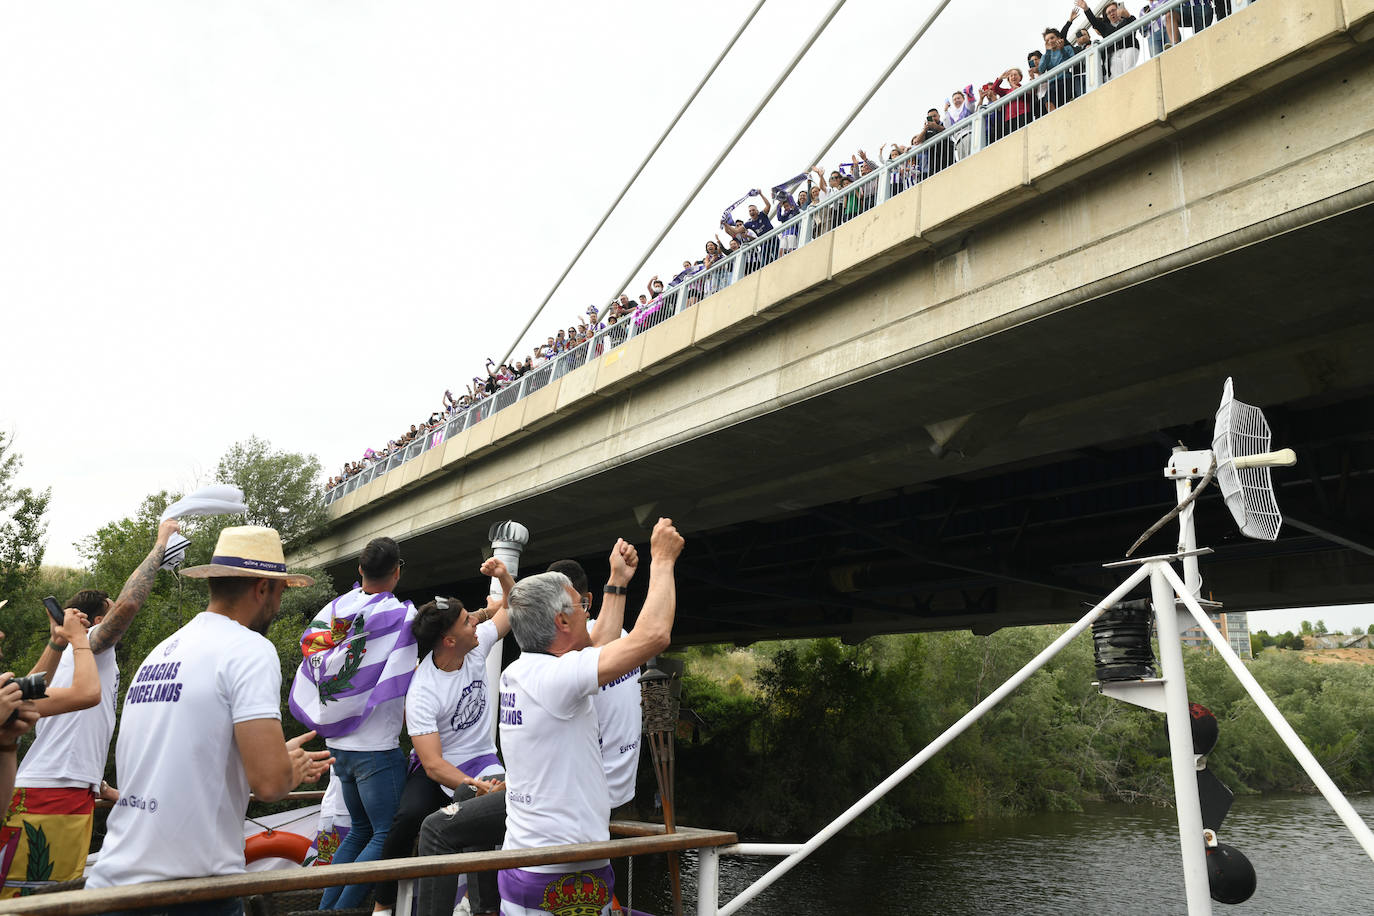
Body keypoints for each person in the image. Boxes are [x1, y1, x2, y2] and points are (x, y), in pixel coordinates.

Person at [85, 526, 332, 912]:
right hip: (189, 892)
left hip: (111, 887)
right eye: (281, 592)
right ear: (262, 588)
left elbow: (185, 753)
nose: (279, 604)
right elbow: (269, 784)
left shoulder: (164, 650)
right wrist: (288, 769)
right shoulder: (249, 649)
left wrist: (261, 753)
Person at [495, 519, 683, 914]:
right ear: (561, 622)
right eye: (581, 606)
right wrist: (662, 561)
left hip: (530, 865)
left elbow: (599, 642)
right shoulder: (554, 679)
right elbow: (652, 638)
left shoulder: (523, 671)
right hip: (560, 878)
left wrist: (617, 582)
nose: (587, 612)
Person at [3, 520, 180, 897]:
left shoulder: (70, 653)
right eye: (111, 613)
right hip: (53, 794)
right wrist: (160, 543)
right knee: (42, 902)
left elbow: (27, 694)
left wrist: (95, 782)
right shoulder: (92, 647)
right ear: (99, 621)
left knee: (47, 897)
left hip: (63, 787)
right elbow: (130, 604)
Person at [372, 559, 514, 916]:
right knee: (408, 818)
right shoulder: (423, 690)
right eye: (468, 621)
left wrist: (504, 577)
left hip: (483, 758)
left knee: (505, 811)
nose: (476, 623)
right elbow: (434, 764)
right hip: (437, 765)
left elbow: (511, 610)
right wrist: (476, 786)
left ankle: (479, 904)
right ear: (449, 639)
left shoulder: (475, 647)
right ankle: (382, 903)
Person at [290, 536, 419, 910]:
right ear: (396, 572)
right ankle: (341, 912)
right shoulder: (401, 615)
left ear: (360, 570)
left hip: (339, 749)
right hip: (376, 750)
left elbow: (314, 648)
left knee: (359, 831)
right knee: (383, 835)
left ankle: (325, 909)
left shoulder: (336, 608)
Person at [546, 558, 642, 814]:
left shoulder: (565, 657)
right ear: (587, 599)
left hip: (583, 799)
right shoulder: (623, 636)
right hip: (624, 791)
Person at [1077, 0, 1141, 80]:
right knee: (1116, 77)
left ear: (1118, 10)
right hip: (1114, 54)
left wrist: (1128, 15)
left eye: (1113, 10)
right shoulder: (1105, 28)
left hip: (1129, 48)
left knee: (1128, 71)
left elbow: (1135, 25)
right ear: (1106, 16)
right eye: (1109, 13)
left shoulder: (1127, 20)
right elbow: (1094, 21)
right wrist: (1086, 8)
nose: (1111, 13)